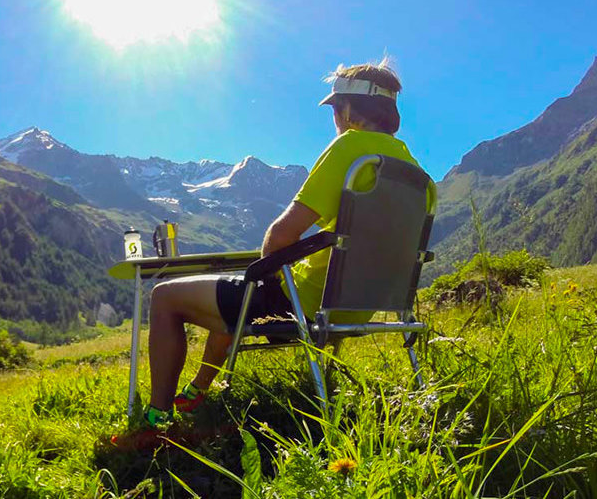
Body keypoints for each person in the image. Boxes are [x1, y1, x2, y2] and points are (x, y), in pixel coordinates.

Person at [138, 58, 432, 431]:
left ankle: (155, 418)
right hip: (358, 306)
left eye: (335, 110)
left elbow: (281, 235)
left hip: (307, 304)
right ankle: (198, 390)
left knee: (166, 296)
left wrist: (267, 274)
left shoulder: (350, 149)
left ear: (346, 110)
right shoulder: (414, 170)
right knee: (234, 296)